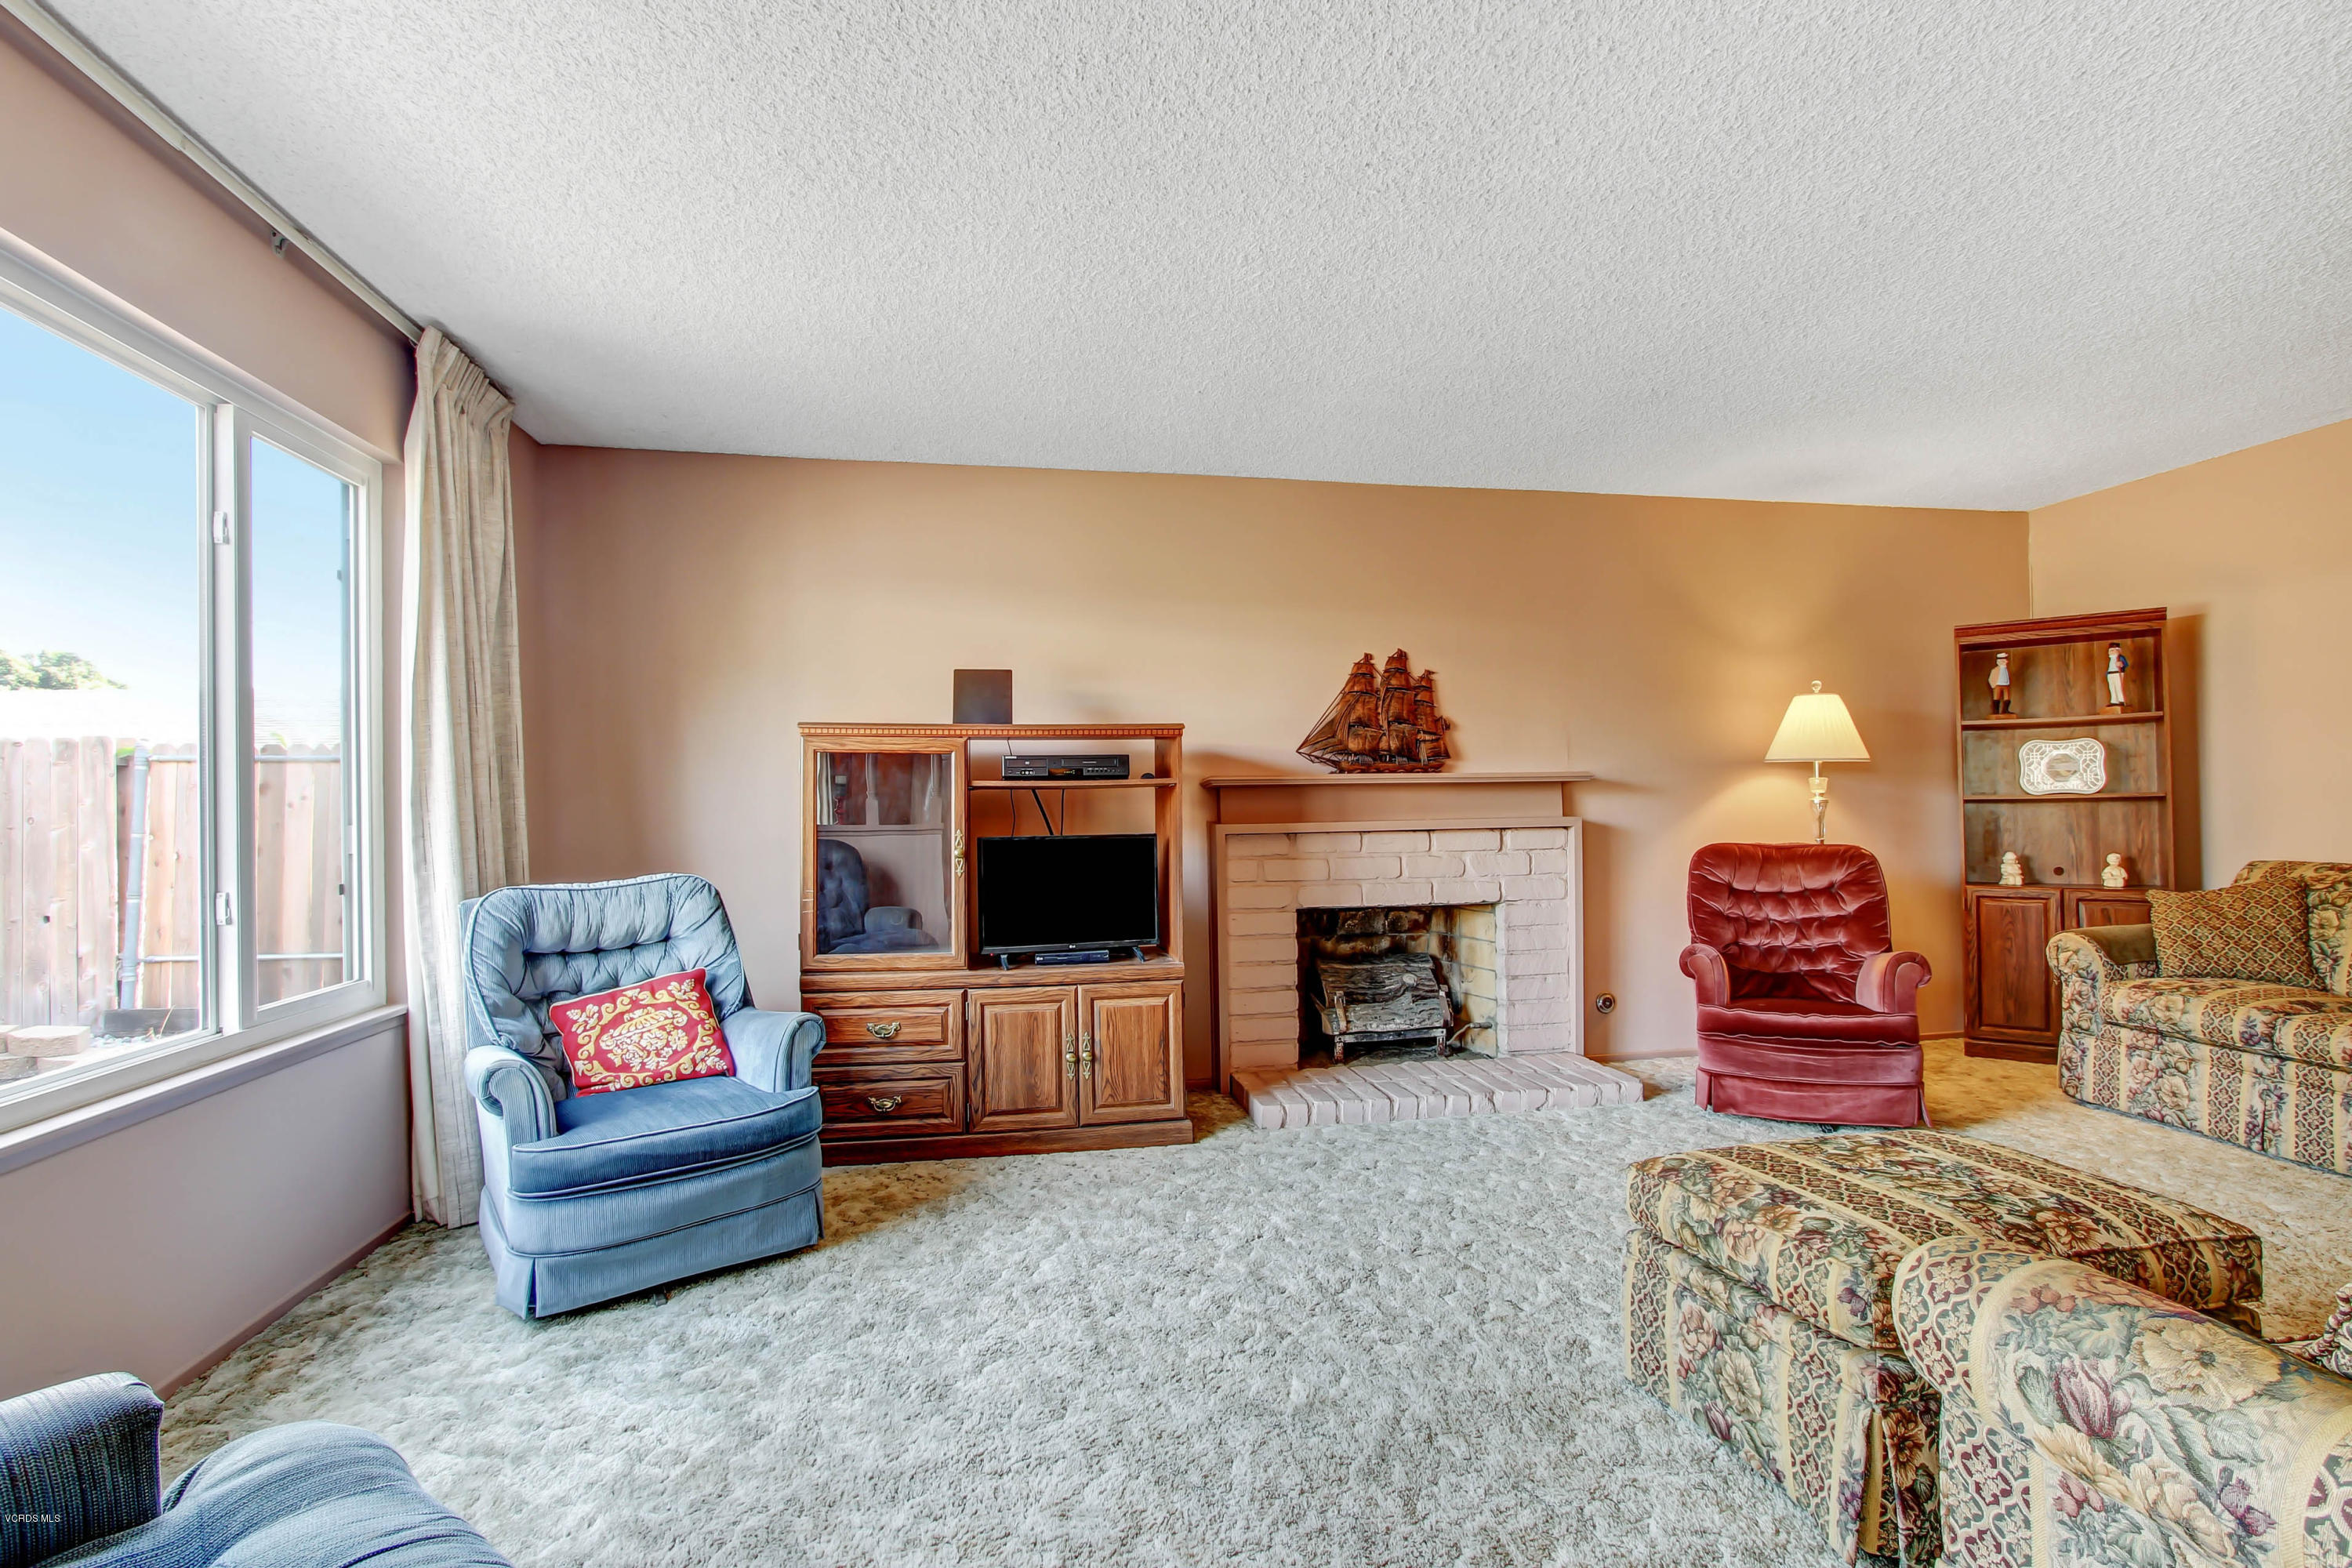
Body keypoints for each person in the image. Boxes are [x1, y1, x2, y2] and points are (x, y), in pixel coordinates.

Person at [1987, 651, 2013, 715]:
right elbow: (1991, 678)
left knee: (2007, 697)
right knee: (1997, 697)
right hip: (1998, 685)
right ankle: (1996, 711)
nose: (2005, 662)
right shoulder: (1995, 670)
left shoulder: (2006, 670)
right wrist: (1993, 685)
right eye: (2003, 660)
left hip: (2006, 685)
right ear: (2000, 661)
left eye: (2005, 660)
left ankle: (2006, 710)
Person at [2104, 643, 2129, 709]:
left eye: (2114, 650)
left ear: (2118, 650)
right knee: (2112, 688)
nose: (2112, 652)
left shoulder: (2120, 657)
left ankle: (2121, 700)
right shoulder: (2111, 659)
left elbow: (2126, 664)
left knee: (2119, 687)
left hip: (2118, 674)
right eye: (2111, 650)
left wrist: (2122, 664)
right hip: (2111, 674)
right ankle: (2114, 701)